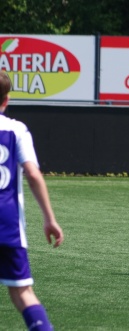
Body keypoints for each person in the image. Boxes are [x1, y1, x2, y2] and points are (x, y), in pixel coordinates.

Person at [0, 71, 64, 330]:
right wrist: (49, 218)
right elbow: (33, 174)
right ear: (7, 99)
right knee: (22, 292)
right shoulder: (17, 130)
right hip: (8, 225)